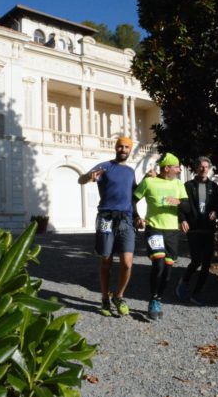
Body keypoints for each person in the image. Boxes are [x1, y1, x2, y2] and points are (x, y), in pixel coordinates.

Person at [78, 136, 138, 317]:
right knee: (106, 260)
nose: (123, 149)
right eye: (120, 146)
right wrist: (89, 177)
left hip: (126, 219)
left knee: (127, 263)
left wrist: (137, 216)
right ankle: (105, 298)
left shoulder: (130, 171)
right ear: (116, 147)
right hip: (106, 217)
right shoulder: (104, 166)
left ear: (130, 150)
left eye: (126, 147)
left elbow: (133, 197)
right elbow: (80, 180)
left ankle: (118, 296)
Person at [133, 152, 188, 320]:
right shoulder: (149, 181)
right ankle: (153, 300)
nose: (179, 170)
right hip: (154, 228)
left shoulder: (178, 184)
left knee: (168, 271)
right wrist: (137, 217)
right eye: (177, 167)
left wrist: (178, 202)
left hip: (172, 232)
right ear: (167, 168)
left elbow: (187, 206)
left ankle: (158, 299)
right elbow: (132, 199)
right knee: (159, 264)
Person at [177, 157, 218, 305]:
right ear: (196, 168)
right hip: (194, 229)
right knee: (196, 260)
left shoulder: (213, 187)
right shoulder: (188, 186)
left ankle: (196, 293)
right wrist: (182, 219)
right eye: (201, 167)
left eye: (206, 167)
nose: (204, 169)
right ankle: (184, 281)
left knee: (207, 263)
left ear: (209, 169)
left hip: (208, 229)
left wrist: (216, 212)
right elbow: (181, 205)